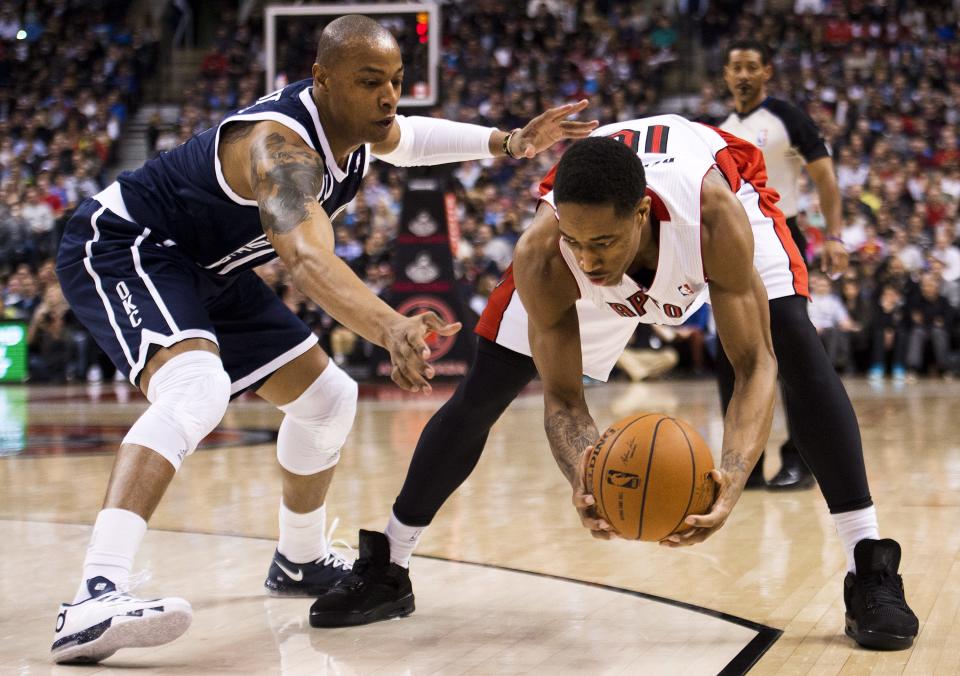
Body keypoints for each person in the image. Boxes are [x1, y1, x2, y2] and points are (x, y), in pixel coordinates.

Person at [50, 14, 595, 665]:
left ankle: (299, 559)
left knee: (328, 399)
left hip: (211, 272)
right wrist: (390, 325)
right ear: (322, 79)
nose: (388, 96)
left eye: (394, 80)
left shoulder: (360, 130)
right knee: (197, 387)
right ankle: (94, 593)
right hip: (128, 245)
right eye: (370, 82)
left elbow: (409, 137)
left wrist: (508, 142)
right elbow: (306, 261)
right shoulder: (282, 151)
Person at [310, 118, 919, 652]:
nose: (591, 259)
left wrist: (733, 474)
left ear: (641, 214)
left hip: (716, 196)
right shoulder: (548, 253)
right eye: (577, 241)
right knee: (483, 391)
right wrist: (584, 473)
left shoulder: (714, 217)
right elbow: (564, 399)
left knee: (794, 345)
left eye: (602, 242)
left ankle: (868, 566)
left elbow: (753, 364)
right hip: (601, 214)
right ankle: (388, 565)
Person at [719, 38, 848, 489]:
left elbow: (826, 179)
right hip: (732, 242)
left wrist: (833, 236)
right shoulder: (722, 126)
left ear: (767, 72)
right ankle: (744, 466)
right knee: (731, 354)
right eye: (736, 67)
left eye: (752, 66)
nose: (743, 75)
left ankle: (799, 460)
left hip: (781, 235)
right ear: (725, 75)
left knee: (790, 351)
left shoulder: (786, 117)